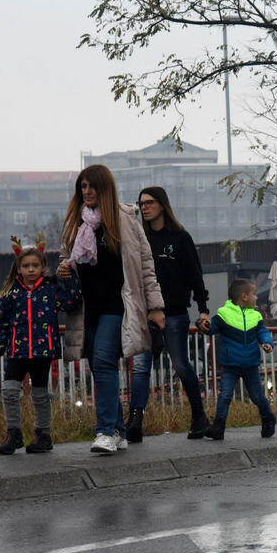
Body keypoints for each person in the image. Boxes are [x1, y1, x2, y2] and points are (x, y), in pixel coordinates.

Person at [58, 164, 165, 455]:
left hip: (118, 305)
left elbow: (146, 265)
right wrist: (63, 270)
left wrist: (156, 307)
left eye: (93, 186)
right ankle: (118, 430)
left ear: (105, 188)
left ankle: (105, 431)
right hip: (86, 307)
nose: (88, 192)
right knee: (98, 366)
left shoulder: (126, 219)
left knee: (104, 362)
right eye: (83, 187)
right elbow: (66, 259)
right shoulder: (75, 223)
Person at [125, 186, 212, 443]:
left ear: (162, 204)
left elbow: (195, 275)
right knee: (141, 367)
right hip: (146, 314)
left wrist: (203, 307)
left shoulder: (180, 237)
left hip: (175, 313)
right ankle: (135, 420)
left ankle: (199, 416)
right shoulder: (139, 238)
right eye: (141, 204)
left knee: (181, 365)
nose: (144, 207)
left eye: (149, 202)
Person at [0, 237, 82, 454]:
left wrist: (70, 278)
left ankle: (43, 435)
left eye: (35, 265)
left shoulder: (50, 290)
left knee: (40, 394)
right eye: (26, 266)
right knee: (10, 390)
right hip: (18, 352)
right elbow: (1, 324)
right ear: (18, 269)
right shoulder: (10, 293)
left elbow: (72, 302)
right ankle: (14, 434)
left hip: (43, 351)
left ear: (42, 267)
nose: (31, 270)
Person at [200, 278, 276, 440]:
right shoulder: (223, 313)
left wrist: (267, 343)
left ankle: (268, 419)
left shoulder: (256, 316)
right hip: (230, 365)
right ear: (244, 296)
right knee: (225, 395)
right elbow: (211, 328)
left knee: (257, 396)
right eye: (254, 294)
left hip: (251, 365)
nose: (256, 298)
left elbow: (262, 332)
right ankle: (218, 428)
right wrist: (203, 325)